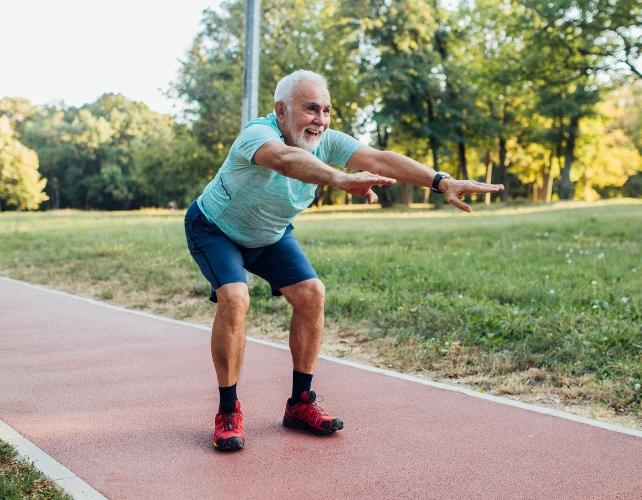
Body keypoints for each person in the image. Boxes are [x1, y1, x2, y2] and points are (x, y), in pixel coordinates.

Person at [184, 69, 504, 451]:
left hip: (270, 234)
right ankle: (228, 411)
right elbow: (285, 159)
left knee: (312, 294)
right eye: (310, 109)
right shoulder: (257, 134)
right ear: (281, 110)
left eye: (326, 110)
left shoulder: (327, 141)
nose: (320, 120)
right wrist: (338, 179)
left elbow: (379, 158)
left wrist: (441, 181)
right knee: (235, 298)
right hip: (215, 229)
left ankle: (300, 403)